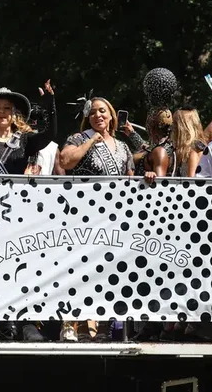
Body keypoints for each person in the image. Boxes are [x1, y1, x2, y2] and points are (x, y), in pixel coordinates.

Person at [59, 96, 133, 342]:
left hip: (114, 218)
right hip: (84, 216)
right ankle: (71, 323)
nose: (97, 116)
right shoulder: (78, 139)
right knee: (79, 270)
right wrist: (91, 141)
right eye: (92, 113)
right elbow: (65, 161)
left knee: (108, 272)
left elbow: (130, 179)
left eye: (102, 111)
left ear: (111, 116)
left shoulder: (123, 147)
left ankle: (103, 327)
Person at [0, 80, 57, 175]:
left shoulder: (25, 139)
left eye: (7, 108)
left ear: (14, 113)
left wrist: (50, 108)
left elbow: (49, 135)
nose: (1, 111)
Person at [171, 98, 212, 177]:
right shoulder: (181, 148)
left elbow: (193, 181)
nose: (172, 127)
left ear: (183, 127)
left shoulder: (195, 148)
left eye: (175, 123)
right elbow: (210, 135)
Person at [134, 108, 174, 183]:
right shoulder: (162, 145)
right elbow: (145, 147)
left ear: (151, 126)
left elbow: (159, 184)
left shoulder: (160, 151)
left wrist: (151, 175)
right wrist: (131, 133)